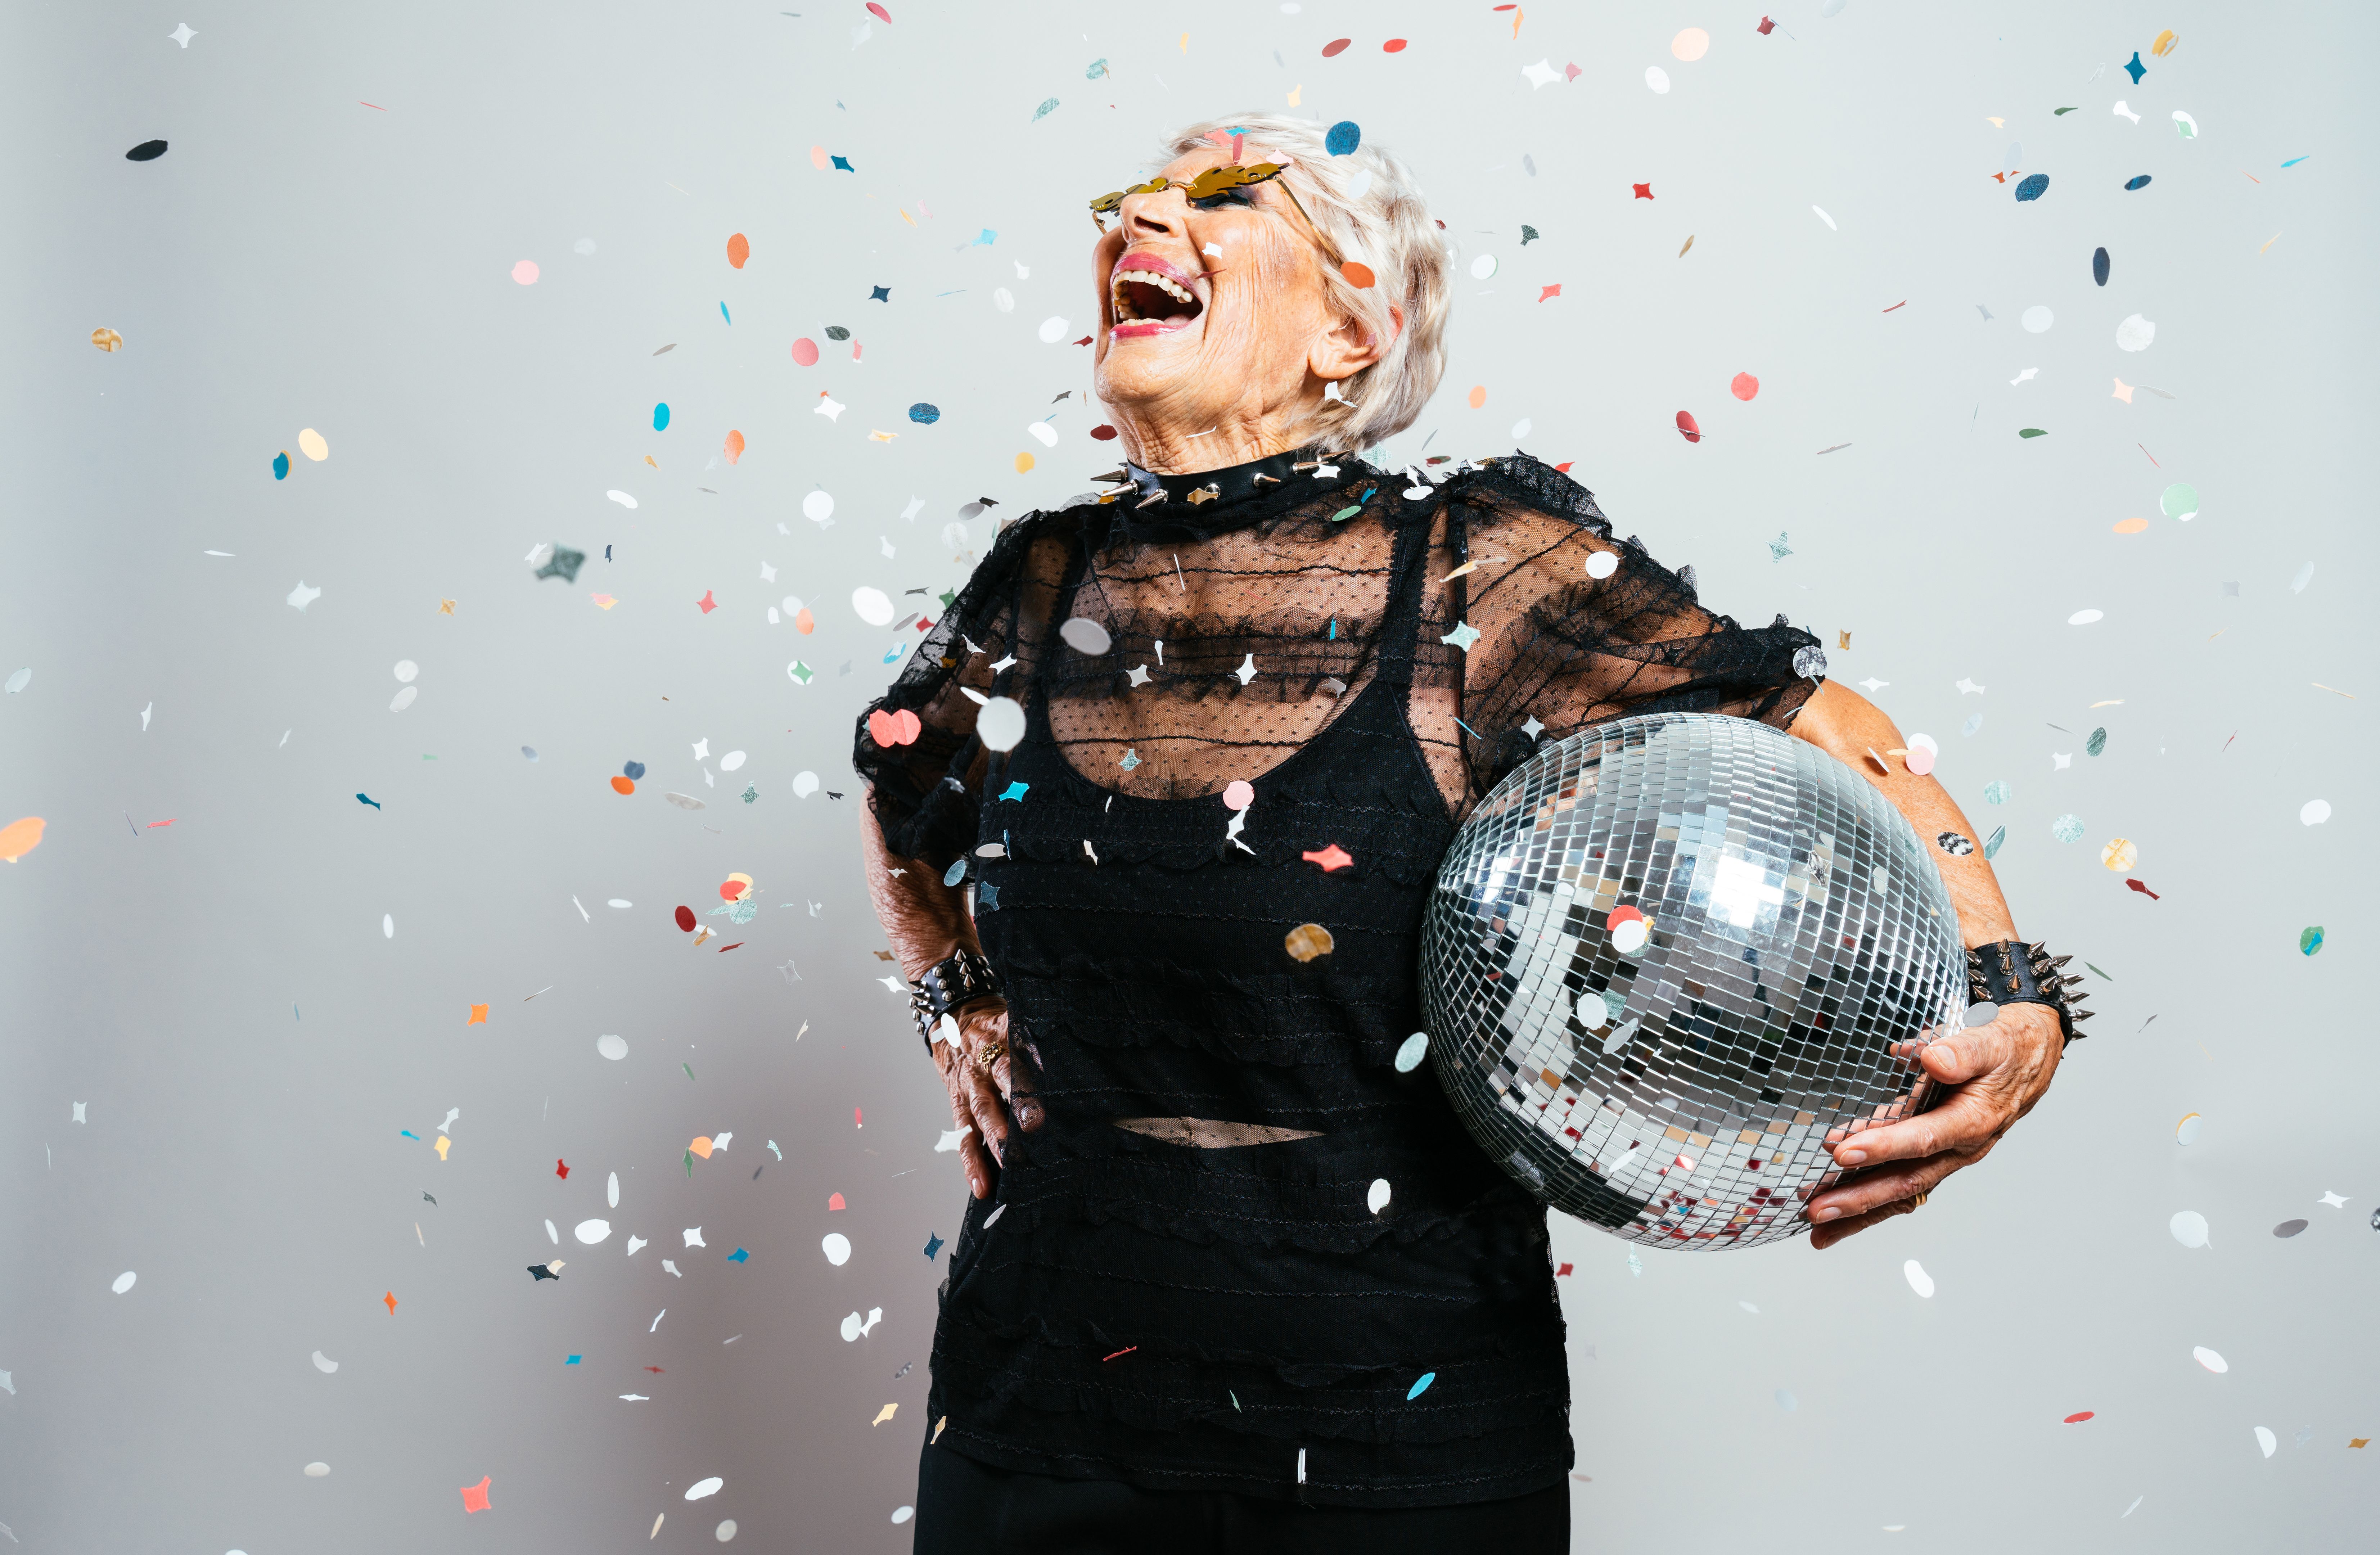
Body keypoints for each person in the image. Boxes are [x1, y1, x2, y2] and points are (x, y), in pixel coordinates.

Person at [856, 114, 2075, 1552]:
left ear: (1349, 329)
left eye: (1223, 198)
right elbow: (893, 777)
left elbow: (1830, 726)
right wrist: (954, 991)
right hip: (1038, 1412)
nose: (1146, 216)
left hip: (1395, 1434)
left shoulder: (1478, 572)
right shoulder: (1036, 580)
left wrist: (2016, 997)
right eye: (1137, 196)